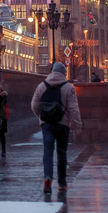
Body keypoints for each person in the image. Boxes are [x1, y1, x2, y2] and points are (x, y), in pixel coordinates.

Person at [31, 62, 82, 193]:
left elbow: (34, 105)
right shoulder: (68, 87)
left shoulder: (42, 86)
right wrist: (77, 125)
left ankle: (47, 177)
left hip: (47, 124)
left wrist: (41, 117)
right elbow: (73, 108)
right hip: (62, 124)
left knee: (47, 151)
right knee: (61, 152)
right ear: (64, 73)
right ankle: (62, 182)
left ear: (52, 71)